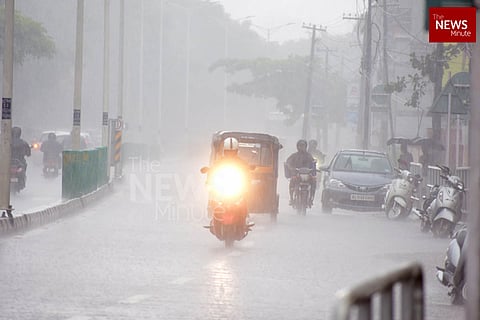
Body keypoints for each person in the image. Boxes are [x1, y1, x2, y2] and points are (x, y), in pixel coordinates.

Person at [207, 137, 252, 237]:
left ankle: (244, 220)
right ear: (224, 151)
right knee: (214, 201)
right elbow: (212, 172)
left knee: (243, 201)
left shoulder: (242, 163)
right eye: (228, 152)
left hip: (237, 189)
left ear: (236, 151)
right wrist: (209, 179)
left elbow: (247, 174)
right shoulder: (219, 163)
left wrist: (247, 181)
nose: (230, 154)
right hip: (222, 188)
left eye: (232, 152)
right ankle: (214, 221)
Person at [285, 139, 316, 206]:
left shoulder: (309, 156)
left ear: (306, 147)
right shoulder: (294, 156)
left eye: (303, 146)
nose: (301, 147)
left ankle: (311, 198)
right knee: (292, 181)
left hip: (307, 175)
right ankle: (292, 199)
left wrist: (313, 169)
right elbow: (288, 162)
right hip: (297, 175)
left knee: (314, 181)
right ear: (297, 147)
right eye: (300, 146)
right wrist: (291, 168)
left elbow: (313, 163)